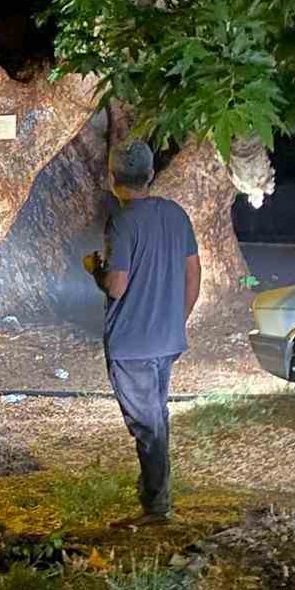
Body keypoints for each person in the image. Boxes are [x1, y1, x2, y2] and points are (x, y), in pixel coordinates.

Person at [84, 139, 202, 525]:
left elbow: (117, 285)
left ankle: (156, 506)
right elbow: (193, 276)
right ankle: (154, 493)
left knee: (148, 426)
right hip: (167, 341)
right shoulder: (176, 215)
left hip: (131, 344)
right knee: (156, 417)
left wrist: (94, 270)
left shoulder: (122, 220)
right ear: (150, 175)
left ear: (112, 177)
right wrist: (176, 319)